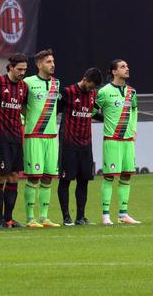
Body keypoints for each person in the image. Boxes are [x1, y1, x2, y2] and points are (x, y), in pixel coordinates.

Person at [95, 59, 139, 225]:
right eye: (122, 67)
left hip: (128, 141)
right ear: (114, 72)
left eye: (127, 66)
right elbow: (92, 111)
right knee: (109, 177)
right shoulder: (104, 92)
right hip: (112, 140)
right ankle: (105, 215)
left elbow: (134, 109)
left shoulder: (131, 92)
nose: (127, 69)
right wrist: (106, 119)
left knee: (126, 176)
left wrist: (133, 129)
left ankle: (123, 214)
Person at [57, 68, 103, 226]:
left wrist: (109, 118)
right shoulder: (67, 92)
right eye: (90, 86)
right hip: (68, 143)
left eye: (94, 88)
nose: (91, 89)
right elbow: (54, 111)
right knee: (65, 180)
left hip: (86, 144)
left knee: (84, 181)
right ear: (85, 79)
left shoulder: (93, 94)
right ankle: (66, 217)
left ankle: (80, 217)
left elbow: (93, 113)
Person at [23, 49, 60, 228]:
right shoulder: (28, 82)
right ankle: (30, 218)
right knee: (33, 177)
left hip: (51, 136)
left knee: (48, 177)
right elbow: (21, 105)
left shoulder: (56, 83)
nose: (52, 65)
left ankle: (44, 217)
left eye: (53, 61)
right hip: (34, 136)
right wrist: (30, 119)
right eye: (48, 62)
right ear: (39, 64)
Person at [0, 53, 28, 228]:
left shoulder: (24, 87)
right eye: (19, 69)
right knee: (2, 176)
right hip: (1, 137)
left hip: (16, 136)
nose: (22, 72)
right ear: (11, 67)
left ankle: (9, 218)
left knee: (14, 176)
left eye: (24, 69)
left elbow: (24, 108)